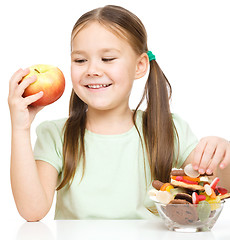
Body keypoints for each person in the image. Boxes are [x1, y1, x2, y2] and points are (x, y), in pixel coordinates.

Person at [8, 5, 230, 221]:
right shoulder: (56, 135)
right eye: (80, 60)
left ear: (139, 66)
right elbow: (32, 211)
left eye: (107, 59)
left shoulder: (168, 130)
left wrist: (221, 155)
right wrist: (20, 128)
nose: (92, 70)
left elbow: (217, 187)